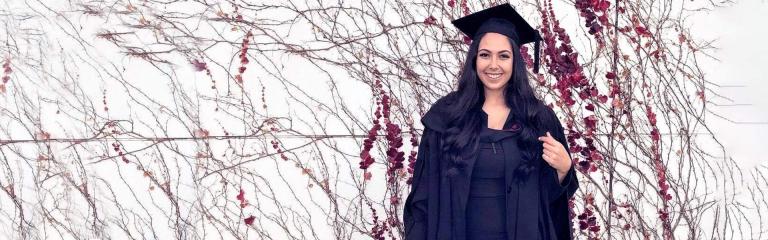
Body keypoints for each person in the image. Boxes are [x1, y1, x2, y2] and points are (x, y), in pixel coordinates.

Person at [402, 3, 579, 240]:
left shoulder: (538, 119)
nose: (493, 65)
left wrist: (564, 169)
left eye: (503, 56)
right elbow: (423, 198)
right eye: (485, 55)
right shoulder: (447, 116)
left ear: (515, 62)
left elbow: (549, 205)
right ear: (474, 59)